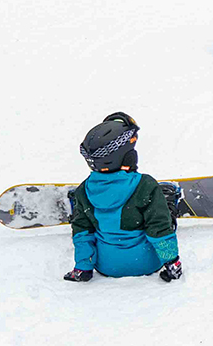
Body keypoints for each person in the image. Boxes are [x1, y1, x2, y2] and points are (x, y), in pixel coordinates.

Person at [64, 113, 182, 283]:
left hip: (107, 266)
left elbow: (82, 232)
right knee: (161, 216)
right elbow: (159, 228)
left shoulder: (84, 190)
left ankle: (86, 211)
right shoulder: (145, 185)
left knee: (87, 223)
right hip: (147, 263)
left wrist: (82, 268)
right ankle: (169, 203)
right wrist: (172, 263)